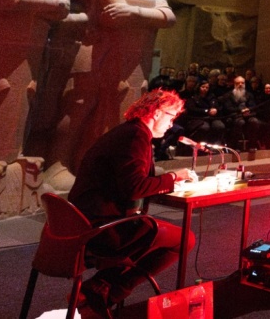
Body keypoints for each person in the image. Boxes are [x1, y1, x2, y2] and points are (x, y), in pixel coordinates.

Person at [67, 90, 197, 317]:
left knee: (150, 231)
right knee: (185, 238)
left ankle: (101, 289)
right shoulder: (135, 136)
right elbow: (134, 187)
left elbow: (128, 181)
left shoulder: (128, 132)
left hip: (84, 221)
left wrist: (165, 179)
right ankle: (106, 291)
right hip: (101, 227)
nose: (171, 124)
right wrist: (174, 178)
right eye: (171, 116)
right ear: (156, 113)